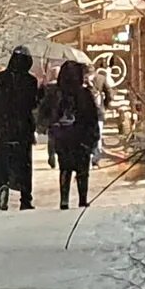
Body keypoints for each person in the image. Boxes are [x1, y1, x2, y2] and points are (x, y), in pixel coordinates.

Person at [0, 47, 41, 211]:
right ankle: (25, 197)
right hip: (22, 128)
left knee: (2, 161)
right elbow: (33, 104)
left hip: (3, 127)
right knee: (24, 164)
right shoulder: (30, 81)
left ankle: (2, 186)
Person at [46, 59, 104, 209]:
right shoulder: (84, 93)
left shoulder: (56, 93)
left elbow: (49, 116)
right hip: (81, 137)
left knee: (65, 168)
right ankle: (82, 199)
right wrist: (93, 138)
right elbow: (92, 117)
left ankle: (64, 199)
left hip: (63, 137)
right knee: (82, 169)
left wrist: (53, 133)